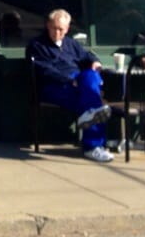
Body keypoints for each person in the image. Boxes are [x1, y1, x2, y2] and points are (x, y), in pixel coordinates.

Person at [27, 9, 114, 162]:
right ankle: (93, 146)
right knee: (93, 101)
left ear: (67, 29)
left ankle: (90, 126)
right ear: (48, 25)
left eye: (61, 29)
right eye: (54, 28)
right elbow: (44, 70)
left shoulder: (71, 44)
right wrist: (68, 80)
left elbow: (88, 55)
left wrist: (95, 62)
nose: (57, 32)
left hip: (78, 82)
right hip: (54, 86)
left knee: (91, 75)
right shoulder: (36, 45)